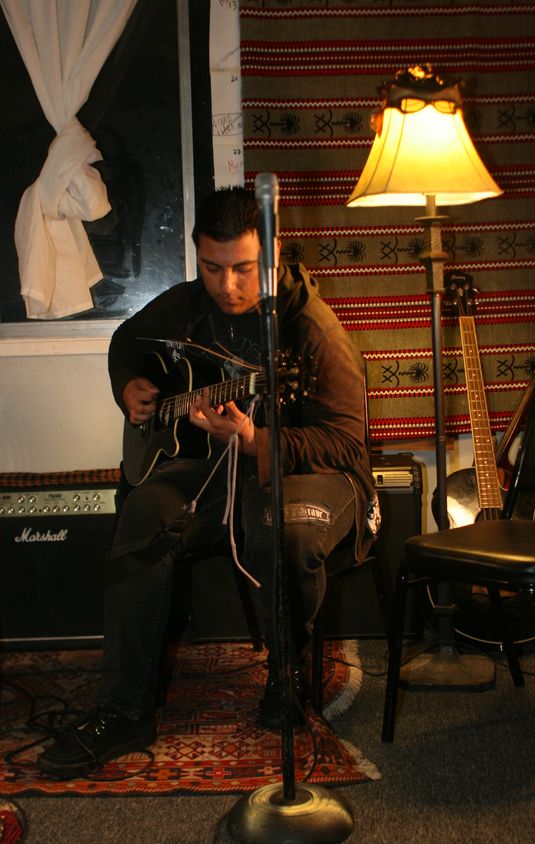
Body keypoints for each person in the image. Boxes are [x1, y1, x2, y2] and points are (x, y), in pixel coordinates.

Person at [36, 187, 377, 779]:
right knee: (145, 512)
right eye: (212, 268)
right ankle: (124, 709)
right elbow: (127, 341)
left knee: (281, 525)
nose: (227, 286)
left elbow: (346, 445)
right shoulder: (189, 304)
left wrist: (257, 441)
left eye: (243, 268)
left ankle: (288, 679)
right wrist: (128, 385)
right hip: (220, 465)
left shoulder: (312, 330)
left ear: (272, 253)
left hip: (312, 473)